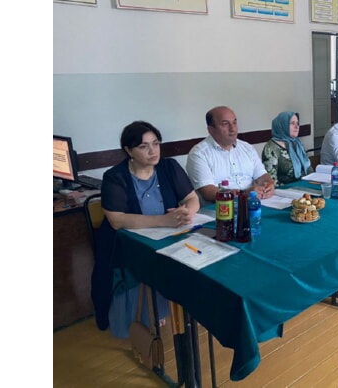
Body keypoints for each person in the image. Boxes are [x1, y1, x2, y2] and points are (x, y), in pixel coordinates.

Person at [92, 121, 200, 338]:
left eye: (156, 143)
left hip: (168, 237)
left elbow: (192, 198)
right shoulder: (115, 176)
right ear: (128, 150)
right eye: (143, 146)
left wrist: (187, 212)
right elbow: (117, 220)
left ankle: (185, 313)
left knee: (200, 255)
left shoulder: (169, 167)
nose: (153, 151)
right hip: (127, 245)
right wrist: (164, 220)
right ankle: (144, 315)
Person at [186, 106, 275, 202]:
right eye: (225, 124)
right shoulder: (199, 154)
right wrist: (243, 194)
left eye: (234, 122)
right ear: (211, 129)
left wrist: (267, 185)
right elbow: (208, 192)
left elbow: (262, 176)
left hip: (253, 202)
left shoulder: (247, 148)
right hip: (220, 207)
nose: (232, 129)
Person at [261, 111, 313, 186]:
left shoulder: (297, 143)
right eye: (292, 123)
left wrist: (315, 179)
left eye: (297, 123)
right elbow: (271, 180)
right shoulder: (271, 147)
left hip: (305, 185)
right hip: (286, 189)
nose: (297, 126)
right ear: (282, 125)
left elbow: (308, 168)